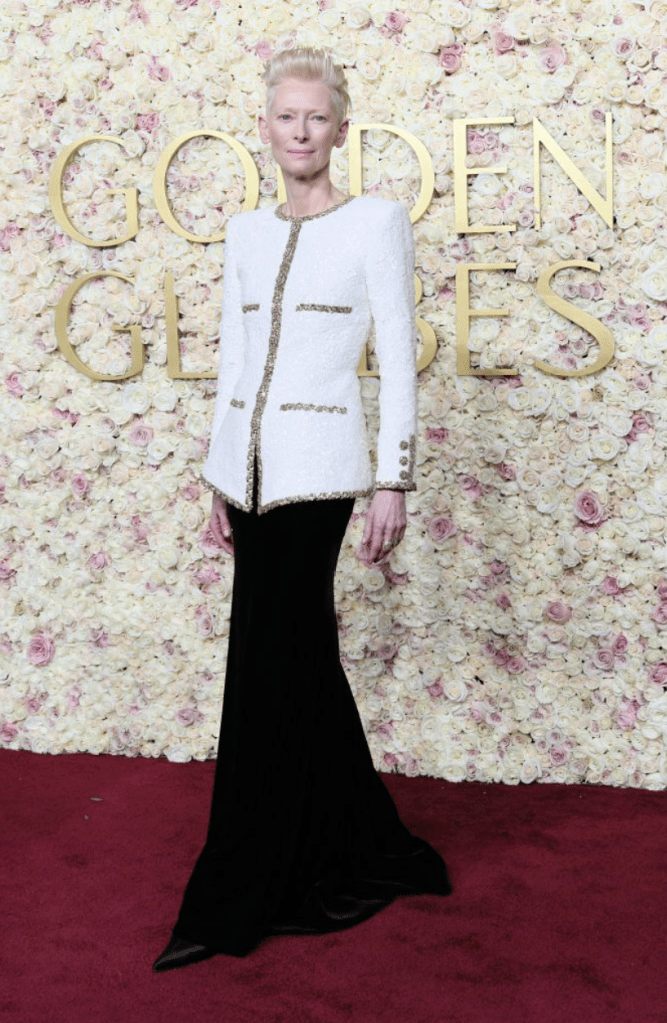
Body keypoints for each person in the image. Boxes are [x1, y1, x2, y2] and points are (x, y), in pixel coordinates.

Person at [152, 45, 452, 973]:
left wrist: (393, 479)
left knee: (272, 662)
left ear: (340, 129)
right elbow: (234, 360)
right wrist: (216, 476)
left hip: (320, 474)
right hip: (245, 475)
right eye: (286, 116)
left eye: (316, 117)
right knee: (294, 660)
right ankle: (361, 838)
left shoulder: (376, 221)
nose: (300, 131)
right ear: (265, 127)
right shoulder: (245, 232)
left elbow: (396, 353)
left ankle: (239, 887)